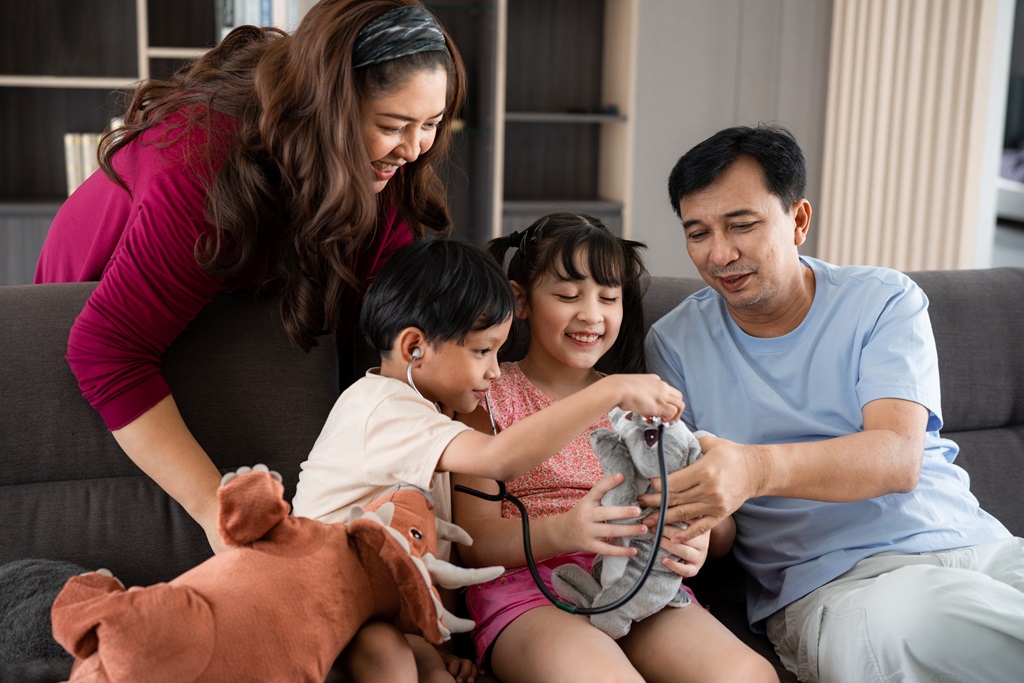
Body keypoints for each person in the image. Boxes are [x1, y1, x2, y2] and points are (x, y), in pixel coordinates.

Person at [33, 0, 466, 556]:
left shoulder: (389, 169)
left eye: (431, 124)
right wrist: (221, 518)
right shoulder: (204, 162)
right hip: (93, 293)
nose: (413, 149)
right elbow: (105, 351)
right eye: (392, 126)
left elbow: (388, 331)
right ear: (326, 110)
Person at [645, 124, 1024, 683]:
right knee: (914, 622)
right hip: (837, 587)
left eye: (742, 225)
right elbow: (715, 522)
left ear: (798, 220)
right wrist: (702, 513)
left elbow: (897, 458)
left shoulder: (883, 300)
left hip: (978, 548)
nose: (719, 254)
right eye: (696, 232)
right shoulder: (674, 344)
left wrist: (753, 468)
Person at [292, 238, 685, 683]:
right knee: (389, 659)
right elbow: (500, 459)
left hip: (380, 607)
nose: (495, 371)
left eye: (498, 352)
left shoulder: (434, 421)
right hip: (320, 590)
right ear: (413, 346)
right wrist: (608, 390)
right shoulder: (380, 406)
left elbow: (435, 551)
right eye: (482, 351)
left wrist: (441, 644)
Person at [451, 213, 778, 683]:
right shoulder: (488, 397)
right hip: (530, 589)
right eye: (567, 296)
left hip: (637, 580)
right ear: (520, 299)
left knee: (748, 676)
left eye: (608, 298)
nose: (591, 314)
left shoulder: (643, 399)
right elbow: (474, 543)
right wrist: (565, 531)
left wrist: (702, 534)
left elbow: (711, 509)